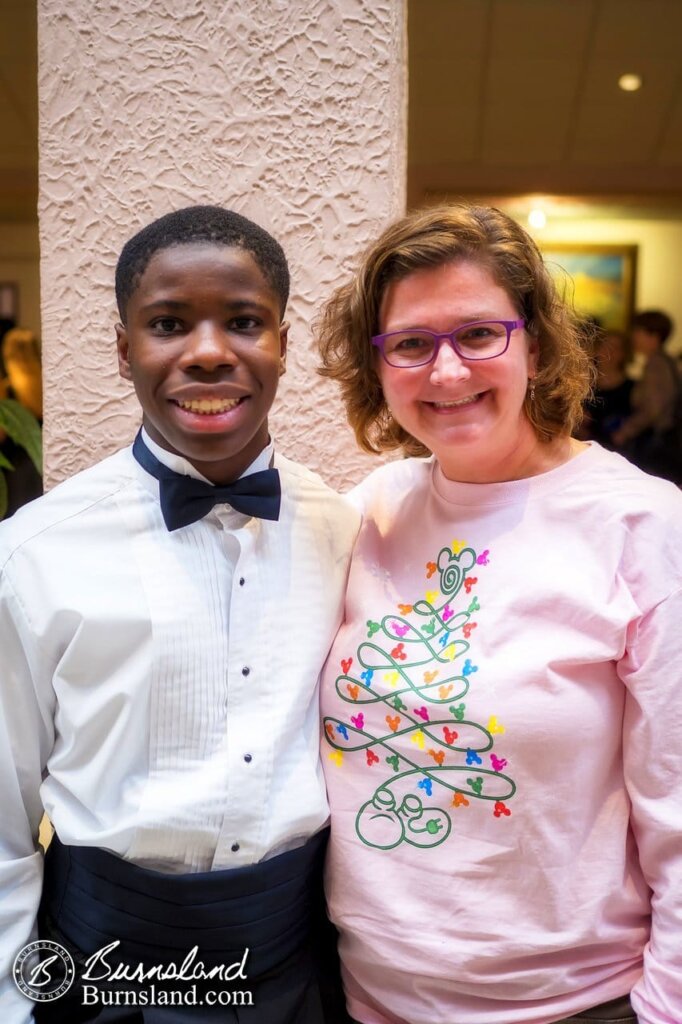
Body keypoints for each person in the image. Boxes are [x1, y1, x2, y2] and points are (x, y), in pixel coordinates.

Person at [315, 204, 682, 1024]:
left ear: (537, 345)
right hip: (364, 999)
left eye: (479, 334)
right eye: (411, 343)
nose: (446, 372)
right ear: (378, 366)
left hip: (575, 1006)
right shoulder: (369, 511)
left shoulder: (645, 526)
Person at [0, 205, 360, 1023]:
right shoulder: (32, 554)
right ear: (126, 349)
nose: (206, 352)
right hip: (103, 966)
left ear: (282, 343)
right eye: (168, 323)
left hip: (294, 961)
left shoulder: (344, 532)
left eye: (243, 322)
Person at [611, 310, 681, 483]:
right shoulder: (664, 361)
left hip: (656, 439)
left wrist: (625, 431)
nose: (633, 336)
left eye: (638, 331)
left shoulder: (656, 365)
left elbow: (653, 409)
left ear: (653, 335)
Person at [579, 328, 634, 449]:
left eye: (616, 348)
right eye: (605, 346)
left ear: (624, 354)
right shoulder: (581, 385)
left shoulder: (633, 388)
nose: (609, 352)